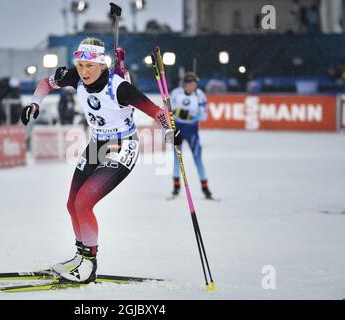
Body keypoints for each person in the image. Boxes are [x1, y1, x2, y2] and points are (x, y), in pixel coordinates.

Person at [21, 37, 181, 283]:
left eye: (90, 66)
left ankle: (89, 265)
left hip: (122, 147)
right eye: (81, 65)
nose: (84, 71)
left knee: (84, 202)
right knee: (71, 203)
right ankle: (80, 255)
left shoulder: (120, 88)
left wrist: (170, 129)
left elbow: (156, 111)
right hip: (97, 145)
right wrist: (34, 103)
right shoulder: (74, 76)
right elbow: (45, 83)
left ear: (102, 65)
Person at [170, 72, 213, 200]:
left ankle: (205, 187)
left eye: (194, 84)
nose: (192, 87)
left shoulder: (200, 95)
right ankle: (176, 186)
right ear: (185, 84)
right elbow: (169, 109)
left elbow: (204, 115)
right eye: (189, 84)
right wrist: (177, 113)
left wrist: (190, 116)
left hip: (192, 129)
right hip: (177, 127)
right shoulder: (176, 93)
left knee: (197, 158)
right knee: (177, 157)